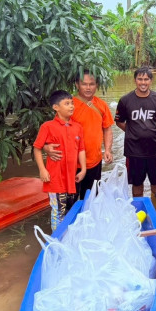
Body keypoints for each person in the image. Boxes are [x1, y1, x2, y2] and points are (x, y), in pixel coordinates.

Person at [43, 71, 114, 206]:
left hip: (94, 162)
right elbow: (54, 130)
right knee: (69, 202)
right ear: (77, 85)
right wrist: (47, 147)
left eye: (91, 84)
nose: (88, 88)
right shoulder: (69, 105)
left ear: (96, 85)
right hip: (71, 164)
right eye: (84, 84)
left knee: (92, 201)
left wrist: (108, 150)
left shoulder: (102, 105)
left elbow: (107, 129)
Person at [33, 90, 86, 231]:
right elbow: (37, 148)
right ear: (56, 107)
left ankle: (68, 235)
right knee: (58, 210)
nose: (71, 106)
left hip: (71, 177)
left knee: (70, 208)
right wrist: (42, 170)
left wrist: (83, 169)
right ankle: (56, 240)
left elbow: (81, 149)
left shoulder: (77, 127)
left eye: (72, 103)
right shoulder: (47, 126)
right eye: (67, 103)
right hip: (55, 177)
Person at [115, 66, 156, 198]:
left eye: (146, 79)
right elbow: (119, 121)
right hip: (134, 150)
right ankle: (138, 208)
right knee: (137, 184)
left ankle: (155, 208)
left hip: (155, 149)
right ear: (135, 80)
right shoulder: (125, 100)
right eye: (140, 79)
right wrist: (132, 131)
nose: (143, 82)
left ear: (151, 81)